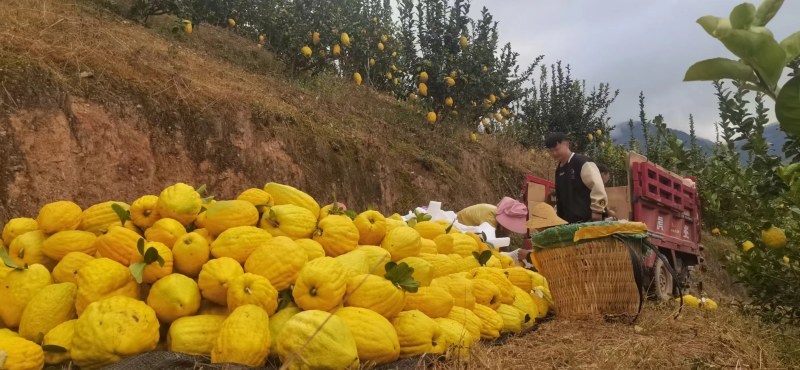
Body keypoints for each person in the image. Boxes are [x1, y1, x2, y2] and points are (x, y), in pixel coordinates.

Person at [544, 132, 608, 223]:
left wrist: (597, 210)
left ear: (567, 144)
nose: (554, 153)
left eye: (556, 149)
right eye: (550, 151)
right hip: (567, 223)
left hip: (586, 221)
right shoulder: (559, 169)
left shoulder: (582, 163)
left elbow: (598, 187)